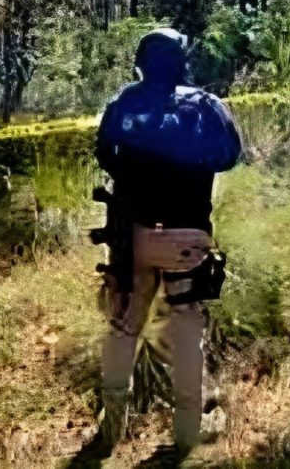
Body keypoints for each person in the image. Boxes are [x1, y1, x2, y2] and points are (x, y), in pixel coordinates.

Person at [93, 28, 242, 455]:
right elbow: (229, 156)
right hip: (187, 236)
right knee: (186, 323)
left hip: (134, 237)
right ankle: (187, 432)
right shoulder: (206, 106)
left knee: (125, 323)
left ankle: (111, 426)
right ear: (182, 61)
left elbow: (104, 154)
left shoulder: (124, 102)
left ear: (141, 62)